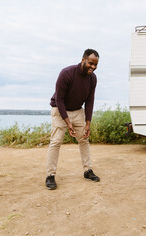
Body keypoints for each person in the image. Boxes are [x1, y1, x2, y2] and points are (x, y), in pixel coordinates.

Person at [46, 49, 100, 190]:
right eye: (90, 63)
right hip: (59, 110)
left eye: (95, 65)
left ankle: (87, 171)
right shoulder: (66, 73)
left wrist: (88, 123)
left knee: (84, 139)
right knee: (56, 141)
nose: (93, 67)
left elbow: (90, 101)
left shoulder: (92, 79)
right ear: (83, 60)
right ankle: (50, 175)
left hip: (77, 111)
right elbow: (59, 99)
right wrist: (68, 123)